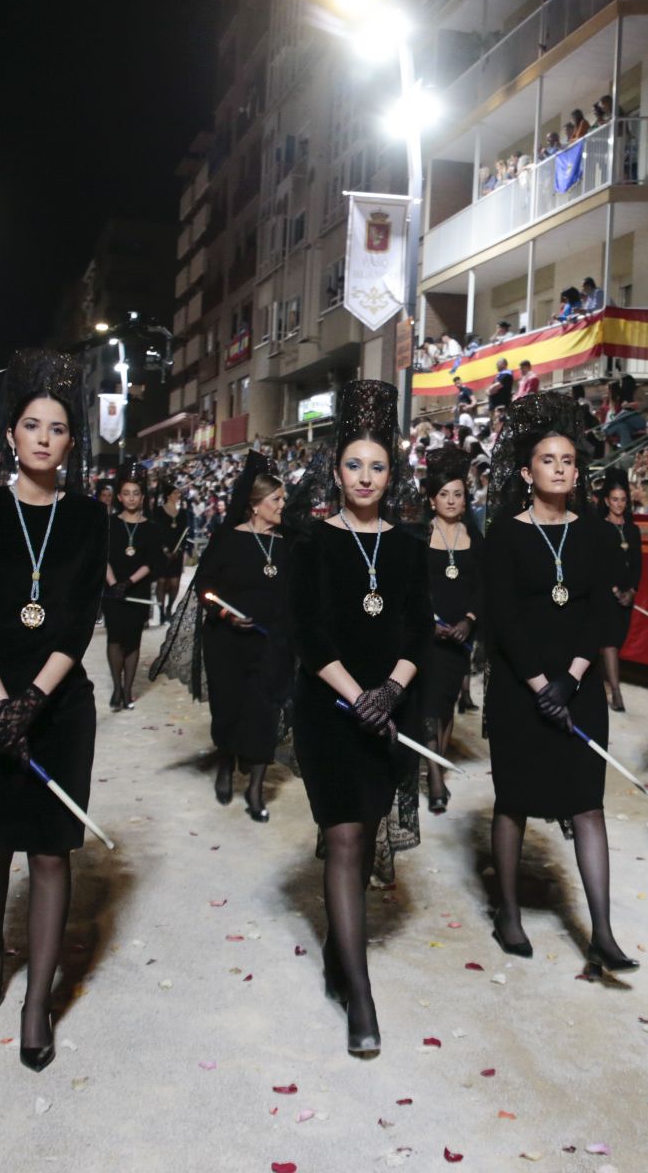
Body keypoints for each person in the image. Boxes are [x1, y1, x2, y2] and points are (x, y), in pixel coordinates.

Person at [0, 350, 105, 1073]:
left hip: (59, 702)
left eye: (59, 428)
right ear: (11, 435)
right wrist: (0, 704)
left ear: (73, 441)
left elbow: (75, 621)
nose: (45, 438)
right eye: (33, 425)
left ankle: (37, 998)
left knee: (48, 849)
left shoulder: (88, 518)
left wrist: (36, 698)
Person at [283, 378, 429, 1056]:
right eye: (353, 465)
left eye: (377, 466)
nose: (365, 477)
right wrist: (356, 696)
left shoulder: (408, 544)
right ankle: (360, 994)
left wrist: (391, 693)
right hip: (328, 712)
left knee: (365, 836)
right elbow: (308, 634)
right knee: (342, 838)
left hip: (389, 713)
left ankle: (340, 959)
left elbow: (419, 634)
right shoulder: (311, 540)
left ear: (390, 474)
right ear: (334, 471)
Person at [481, 392, 637, 973]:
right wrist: (539, 683)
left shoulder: (594, 533)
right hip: (521, 689)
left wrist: (569, 681)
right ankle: (509, 913)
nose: (561, 469)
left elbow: (600, 615)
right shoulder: (504, 533)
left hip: (576, 686)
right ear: (526, 472)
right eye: (549, 460)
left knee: (587, 804)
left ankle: (602, 931)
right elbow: (502, 620)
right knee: (514, 801)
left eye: (569, 461)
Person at [191, 457, 293, 819]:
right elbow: (204, 587)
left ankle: (254, 791)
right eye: (276, 500)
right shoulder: (228, 539)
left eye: (283, 499)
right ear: (255, 504)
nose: (283, 505)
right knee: (230, 708)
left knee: (265, 713)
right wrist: (224, 614)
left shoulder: (287, 543)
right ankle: (225, 759)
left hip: (271, 646)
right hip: (227, 645)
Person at [412, 446, 482, 814]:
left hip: (460, 636)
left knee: (448, 703)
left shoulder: (474, 535)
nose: (452, 501)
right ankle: (436, 776)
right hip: (429, 634)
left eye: (458, 494)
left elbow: (484, 584)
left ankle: (435, 763)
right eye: (444, 494)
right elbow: (410, 587)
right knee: (429, 704)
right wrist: (429, 622)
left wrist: (470, 619)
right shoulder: (419, 537)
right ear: (431, 498)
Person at [100, 470, 168, 710]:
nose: (131, 498)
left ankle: (128, 689)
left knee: (133, 639)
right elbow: (102, 556)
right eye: (126, 493)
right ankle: (117, 689)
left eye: (136, 494)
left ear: (142, 498)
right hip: (112, 590)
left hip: (137, 590)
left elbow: (152, 562)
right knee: (115, 637)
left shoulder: (152, 528)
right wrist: (113, 584)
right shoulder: (109, 524)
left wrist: (127, 583)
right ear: (119, 497)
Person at [593, 468, 642, 713]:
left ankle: (603, 682)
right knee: (610, 641)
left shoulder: (634, 530)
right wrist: (613, 590)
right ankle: (616, 691)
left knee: (616, 640)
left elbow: (638, 563)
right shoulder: (599, 528)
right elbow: (597, 564)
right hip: (605, 595)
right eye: (614, 499)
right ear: (606, 501)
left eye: (623, 500)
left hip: (627, 594)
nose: (619, 504)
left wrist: (631, 590)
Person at [150, 484, 191, 625]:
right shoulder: (158, 511)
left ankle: (169, 608)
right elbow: (156, 532)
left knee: (174, 583)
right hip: (161, 552)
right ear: (168, 495)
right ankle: (161, 612)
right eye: (175, 493)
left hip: (177, 553)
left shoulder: (183, 513)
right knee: (161, 582)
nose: (178, 495)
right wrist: (165, 549)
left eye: (178, 493)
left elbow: (185, 535)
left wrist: (179, 551)